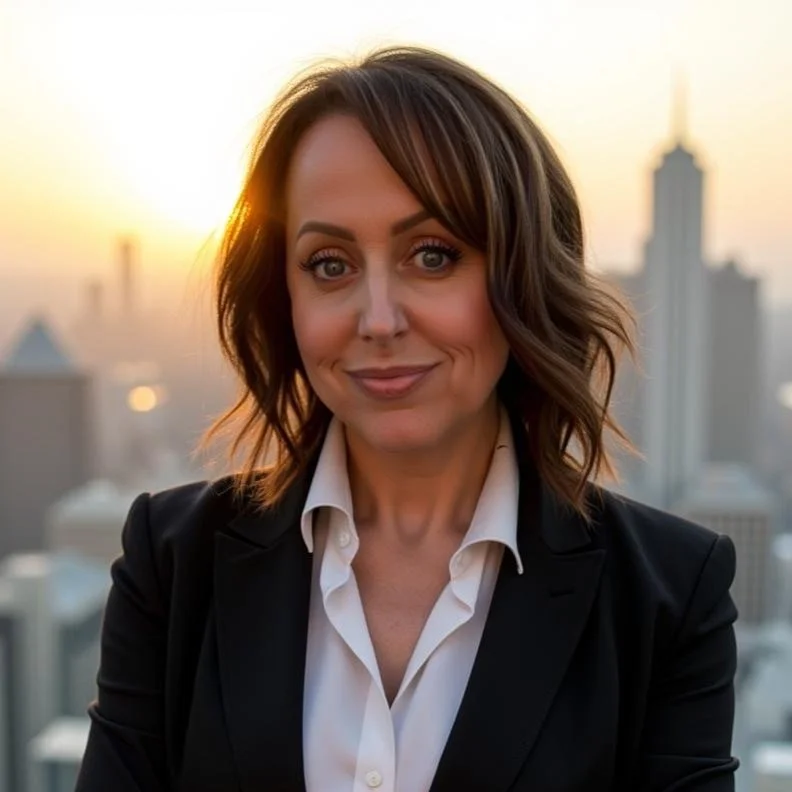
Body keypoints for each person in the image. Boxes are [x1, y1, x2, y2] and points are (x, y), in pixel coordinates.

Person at [75, 46, 739, 792]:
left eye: (433, 255)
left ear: (520, 274)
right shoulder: (173, 564)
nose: (379, 319)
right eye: (330, 264)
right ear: (283, 297)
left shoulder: (668, 596)